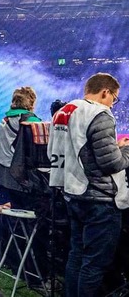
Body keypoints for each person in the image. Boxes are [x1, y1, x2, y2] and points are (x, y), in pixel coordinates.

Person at [48, 73, 129, 296]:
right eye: (114, 98)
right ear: (106, 92)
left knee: (77, 256)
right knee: (94, 264)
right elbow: (112, 163)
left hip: (73, 193)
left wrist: (117, 146)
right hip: (100, 199)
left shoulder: (65, 111)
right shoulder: (100, 114)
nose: (113, 103)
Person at [0, 86, 41, 207]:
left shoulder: (6, 119)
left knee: (15, 206)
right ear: (31, 101)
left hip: (1, 173)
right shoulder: (30, 120)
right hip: (19, 174)